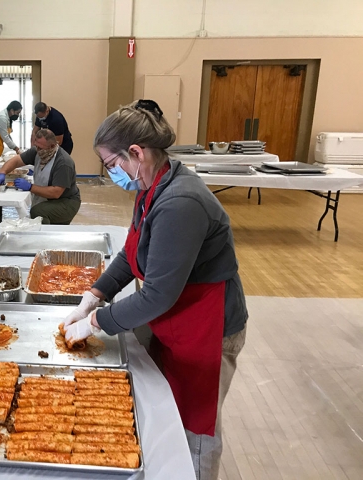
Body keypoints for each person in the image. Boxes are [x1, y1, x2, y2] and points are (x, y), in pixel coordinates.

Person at [61, 100, 248, 480]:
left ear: (135, 153)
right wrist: (95, 294)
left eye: (112, 165)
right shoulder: (153, 185)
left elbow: (158, 295)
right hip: (181, 315)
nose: (113, 173)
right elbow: (133, 254)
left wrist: (97, 321)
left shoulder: (181, 201)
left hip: (208, 327)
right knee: (166, 409)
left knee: (195, 429)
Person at [0, 128, 81, 225]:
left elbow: (55, 192)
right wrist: (2, 172)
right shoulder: (37, 151)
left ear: (52, 146)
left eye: (40, 148)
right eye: (36, 147)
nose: (38, 150)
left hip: (67, 202)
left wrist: (30, 187)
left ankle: (43, 235)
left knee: (38, 211)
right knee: (40, 213)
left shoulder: (63, 163)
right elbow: (16, 161)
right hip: (53, 199)